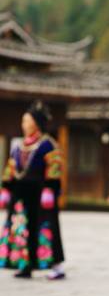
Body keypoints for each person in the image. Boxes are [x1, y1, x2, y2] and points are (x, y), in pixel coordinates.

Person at [0, 101, 65, 279]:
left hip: (41, 195)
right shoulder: (18, 146)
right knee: (22, 229)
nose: (23, 125)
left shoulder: (47, 144)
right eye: (23, 121)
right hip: (21, 195)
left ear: (36, 123)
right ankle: (25, 264)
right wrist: (5, 189)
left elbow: (55, 167)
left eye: (26, 121)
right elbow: (11, 168)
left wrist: (50, 189)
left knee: (46, 228)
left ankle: (56, 265)